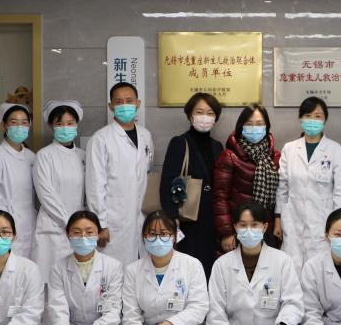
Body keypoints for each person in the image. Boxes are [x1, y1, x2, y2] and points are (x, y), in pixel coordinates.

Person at [86, 82, 155, 264]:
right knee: (113, 271)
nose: (125, 106)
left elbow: (147, 175)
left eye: (129, 101)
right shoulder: (100, 139)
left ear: (138, 103)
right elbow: (95, 186)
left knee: (139, 270)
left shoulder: (146, 136)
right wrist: (100, 224)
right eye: (119, 102)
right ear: (111, 106)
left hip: (141, 219)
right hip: (113, 222)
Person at [275, 96, 341, 263]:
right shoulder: (289, 149)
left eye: (317, 116)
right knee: (292, 266)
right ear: (300, 118)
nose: (312, 120)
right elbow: (282, 188)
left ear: (325, 119)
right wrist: (278, 219)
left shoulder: (335, 149)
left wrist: (340, 224)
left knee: (319, 267)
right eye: (307, 116)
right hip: (293, 220)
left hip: (323, 222)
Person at [159, 92, 224, 276]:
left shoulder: (218, 146)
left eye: (210, 113)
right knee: (189, 267)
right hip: (188, 218)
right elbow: (167, 181)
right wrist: (172, 217)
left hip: (212, 218)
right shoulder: (180, 143)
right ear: (190, 115)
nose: (205, 117)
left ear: (215, 118)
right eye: (199, 112)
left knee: (211, 267)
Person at [212, 103, 279, 253]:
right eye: (249, 124)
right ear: (241, 127)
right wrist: (226, 233)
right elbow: (220, 198)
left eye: (259, 124)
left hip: (267, 230)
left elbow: (281, 197)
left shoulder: (275, 157)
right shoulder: (229, 156)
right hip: (238, 230)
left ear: (267, 127)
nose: (254, 128)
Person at [32, 100, 86, 277]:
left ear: (76, 124)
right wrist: (68, 222)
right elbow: (46, 194)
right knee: (50, 280)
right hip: (52, 229)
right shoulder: (44, 155)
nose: (65, 128)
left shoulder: (82, 156)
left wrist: (79, 224)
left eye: (70, 123)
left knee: (76, 280)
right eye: (60, 124)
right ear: (51, 126)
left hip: (79, 230)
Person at [0, 102, 38, 260]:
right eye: (14, 122)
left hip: (30, 225)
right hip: (5, 228)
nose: (20, 127)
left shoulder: (31, 157)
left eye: (24, 122)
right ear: (3, 125)